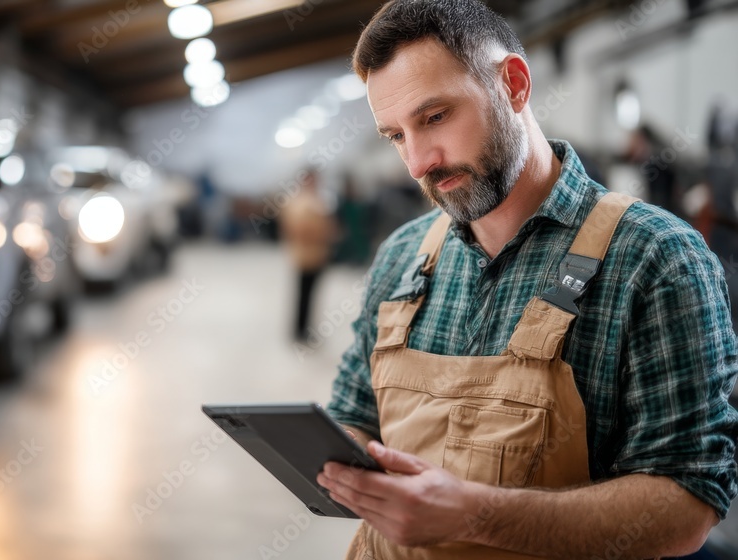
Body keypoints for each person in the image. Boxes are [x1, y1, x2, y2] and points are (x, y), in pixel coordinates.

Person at [319, 1, 738, 559]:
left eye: (435, 117)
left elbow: (687, 504)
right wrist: (340, 460)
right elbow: (353, 413)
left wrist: (474, 515)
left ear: (514, 85)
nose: (418, 162)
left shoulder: (655, 259)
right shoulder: (401, 256)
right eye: (396, 135)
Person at [280, 169, 336, 341]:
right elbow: (295, 228)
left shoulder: (318, 200)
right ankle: (299, 330)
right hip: (304, 253)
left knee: (312, 294)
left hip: (318, 253)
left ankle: (305, 327)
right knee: (303, 294)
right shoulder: (298, 203)